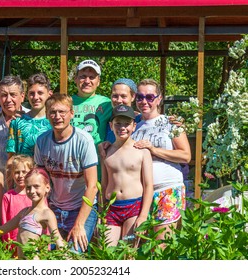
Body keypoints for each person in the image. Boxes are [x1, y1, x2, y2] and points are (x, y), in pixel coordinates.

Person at [34, 93, 98, 253]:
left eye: (62, 112)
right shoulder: (42, 141)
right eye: (53, 112)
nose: (57, 117)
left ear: (71, 113)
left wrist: (79, 224)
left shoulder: (84, 141)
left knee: (73, 254)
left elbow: (92, 187)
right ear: (47, 114)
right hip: (54, 208)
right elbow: (41, 181)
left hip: (80, 208)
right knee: (43, 253)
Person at [131, 79, 191, 242]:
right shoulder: (133, 125)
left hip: (167, 190)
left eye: (150, 97)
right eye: (140, 97)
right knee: (139, 247)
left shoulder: (171, 123)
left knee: (161, 247)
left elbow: (185, 155)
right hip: (140, 194)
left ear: (159, 99)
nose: (144, 101)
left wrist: (154, 150)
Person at [0, 167, 64, 259]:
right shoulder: (24, 213)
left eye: (36, 186)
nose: (32, 191)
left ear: (47, 188)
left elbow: (58, 240)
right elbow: (0, 230)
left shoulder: (47, 214)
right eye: (28, 187)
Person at [101, 104, 153, 246]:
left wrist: (143, 216)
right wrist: (101, 213)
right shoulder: (106, 152)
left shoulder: (142, 151)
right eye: (118, 124)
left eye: (127, 124)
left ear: (134, 126)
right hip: (111, 208)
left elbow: (148, 186)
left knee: (128, 253)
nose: (122, 127)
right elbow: (104, 185)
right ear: (111, 125)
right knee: (107, 251)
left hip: (133, 207)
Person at [71, 59, 112, 180]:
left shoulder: (106, 103)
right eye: (83, 76)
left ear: (98, 81)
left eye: (92, 77)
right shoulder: (66, 101)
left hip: (96, 165)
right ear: (76, 79)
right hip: (70, 165)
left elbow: (127, 113)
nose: (87, 81)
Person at [0, 75, 29, 179]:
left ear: (22, 96)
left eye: (13, 94)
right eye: (4, 95)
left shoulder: (31, 119)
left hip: (23, 185)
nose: (8, 99)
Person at [6, 73, 53, 158]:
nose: (35, 97)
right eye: (32, 93)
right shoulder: (17, 121)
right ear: (27, 95)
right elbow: (11, 157)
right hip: (23, 170)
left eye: (40, 93)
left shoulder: (54, 122)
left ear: (49, 94)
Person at [1, 154, 34, 248]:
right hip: (13, 244)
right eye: (17, 172)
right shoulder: (8, 196)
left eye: (24, 172)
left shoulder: (36, 195)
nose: (20, 176)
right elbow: (5, 222)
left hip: (34, 243)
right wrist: (7, 245)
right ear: (12, 174)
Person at [105, 78, 141, 143]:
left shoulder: (140, 121)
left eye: (123, 96)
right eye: (115, 96)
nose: (119, 100)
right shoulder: (106, 120)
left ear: (133, 97)